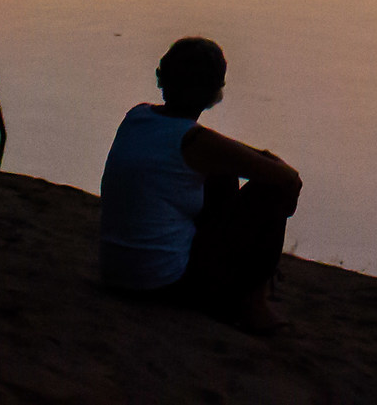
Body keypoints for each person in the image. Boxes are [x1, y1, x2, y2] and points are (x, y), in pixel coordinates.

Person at [99, 36, 301, 334]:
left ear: (162, 78)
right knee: (273, 189)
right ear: (213, 92)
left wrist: (242, 157)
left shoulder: (137, 116)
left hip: (116, 274)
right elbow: (288, 179)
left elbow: (212, 148)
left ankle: (243, 289)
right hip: (164, 284)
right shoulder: (195, 142)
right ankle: (253, 304)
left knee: (222, 172)